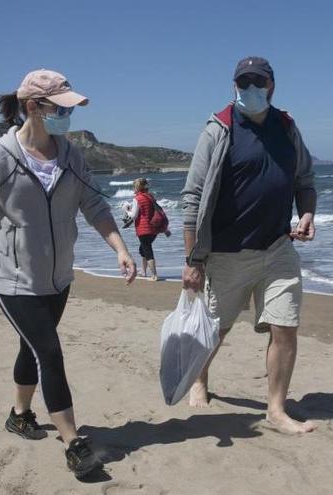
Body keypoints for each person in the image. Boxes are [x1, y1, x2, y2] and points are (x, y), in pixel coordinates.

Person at [0, 69, 137, 479]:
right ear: (33, 108)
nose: (67, 116)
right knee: (50, 352)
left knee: (32, 349)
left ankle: (20, 415)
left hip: (58, 279)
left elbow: (95, 206)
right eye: (61, 108)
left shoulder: (71, 155)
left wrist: (122, 250)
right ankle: (74, 443)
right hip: (13, 280)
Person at [180, 57, 318, 434]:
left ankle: (276, 409)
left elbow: (305, 180)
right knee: (216, 330)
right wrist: (193, 259)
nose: (250, 88)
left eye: (258, 82)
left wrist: (306, 214)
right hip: (227, 252)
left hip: (277, 248)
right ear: (234, 86)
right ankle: (200, 378)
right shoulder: (219, 129)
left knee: (285, 327)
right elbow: (192, 198)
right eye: (244, 82)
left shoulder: (287, 127)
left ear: (272, 85)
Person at [124, 178, 170, 281]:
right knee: (143, 249)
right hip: (153, 229)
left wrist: (127, 211)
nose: (133, 189)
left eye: (134, 187)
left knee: (147, 251)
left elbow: (134, 215)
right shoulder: (150, 197)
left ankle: (154, 275)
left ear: (137, 187)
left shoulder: (137, 198)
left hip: (143, 229)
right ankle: (143, 271)